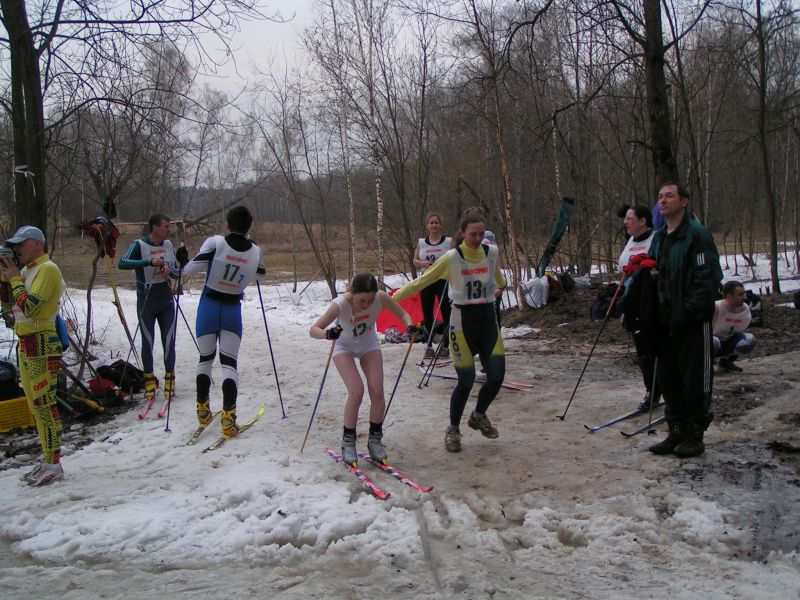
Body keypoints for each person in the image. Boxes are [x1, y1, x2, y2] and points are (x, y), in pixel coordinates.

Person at [394, 212, 506, 453]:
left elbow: (500, 280)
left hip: (487, 322)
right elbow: (420, 283)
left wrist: (495, 291)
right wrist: (390, 300)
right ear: (462, 233)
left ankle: (478, 415)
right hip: (461, 323)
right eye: (472, 234)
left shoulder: (492, 253)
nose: (477, 238)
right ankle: (453, 430)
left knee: (496, 377)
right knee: (466, 381)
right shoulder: (452, 258)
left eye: (480, 234)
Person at [648, 182, 722, 459]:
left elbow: (708, 278)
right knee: (670, 379)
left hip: (691, 321)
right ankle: (675, 431)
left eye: (669, 196)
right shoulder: (659, 237)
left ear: (684, 202)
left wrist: (691, 311)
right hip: (665, 321)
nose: (663, 201)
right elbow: (654, 266)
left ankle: (694, 434)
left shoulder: (696, 235)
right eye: (660, 197)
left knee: (695, 379)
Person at [309, 273, 416, 466]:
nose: (366, 305)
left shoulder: (381, 297)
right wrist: (327, 334)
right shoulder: (340, 304)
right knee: (356, 391)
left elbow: (403, 314)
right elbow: (313, 329)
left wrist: (410, 327)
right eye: (361, 300)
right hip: (344, 347)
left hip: (368, 344)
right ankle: (348, 441)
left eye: (369, 300)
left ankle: (375, 440)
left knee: (377, 390)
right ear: (352, 293)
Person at [180, 206, 266, 438]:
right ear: (249, 226)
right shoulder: (256, 250)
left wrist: (183, 259)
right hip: (232, 309)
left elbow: (189, 269)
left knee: (205, 359)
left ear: (227, 224)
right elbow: (259, 275)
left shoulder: (215, 242)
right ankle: (229, 418)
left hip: (208, 306)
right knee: (229, 364)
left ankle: (203, 411)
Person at [0, 226, 66, 486]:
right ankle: (48, 457)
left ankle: (54, 463)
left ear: (36, 245)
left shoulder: (48, 269)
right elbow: (9, 307)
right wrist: (6, 278)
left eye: (21, 245)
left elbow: (33, 307)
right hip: (25, 342)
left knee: (45, 405)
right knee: (35, 407)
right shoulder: (27, 270)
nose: (16, 250)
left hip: (42, 342)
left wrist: (15, 279)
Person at [118, 214, 180, 404]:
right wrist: (148, 262)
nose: (169, 230)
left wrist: (170, 271)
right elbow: (122, 263)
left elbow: (177, 272)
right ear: (154, 228)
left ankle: (170, 378)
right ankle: (149, 379)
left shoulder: (168, 245)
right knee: (148, 341)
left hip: (166, 297)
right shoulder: (140, 245)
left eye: (169, 227)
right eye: (165, 226)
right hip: (146, 298)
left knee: (168, 340)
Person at [618, 205, 661, 412]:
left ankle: (663, 388)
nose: (626, 222)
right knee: (642, 351)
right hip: (632, 301)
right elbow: (624, 268)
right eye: (626, 219)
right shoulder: (630, 241)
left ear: (643, 220)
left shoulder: (656, 238)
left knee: (655, 349)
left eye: (630, 218)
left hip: (651, 302)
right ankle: (651, 390)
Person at [412, 213, 452, 360]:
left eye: (436, 223)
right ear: (427, 225)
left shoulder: (448, 241)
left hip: (443, 280)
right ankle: (428, 347)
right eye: (431, 223)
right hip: (427, 280)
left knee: (446, 312)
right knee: (427, 314)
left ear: (440, 225)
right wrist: (423, 264)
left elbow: (455, 257)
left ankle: (446, 346)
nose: (434, 225)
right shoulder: (422, 242)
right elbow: (415, 260)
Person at [712, 280, 756, 372]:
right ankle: (706, 362)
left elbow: (740, 329)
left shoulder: (745, 310)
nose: (744, 297)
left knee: (749, 340)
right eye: (740, 295)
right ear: (729, 296)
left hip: (729, 341)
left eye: (744, 294)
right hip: (713, 341)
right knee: (713, 342)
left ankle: (726, 362)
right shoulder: (716, 307)